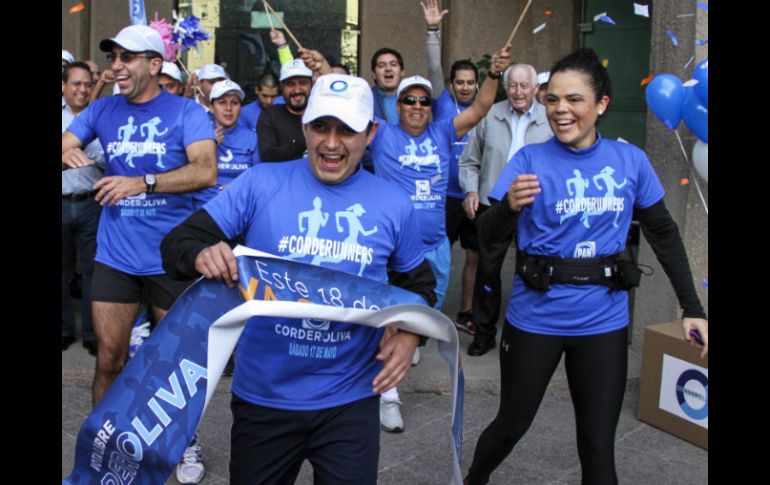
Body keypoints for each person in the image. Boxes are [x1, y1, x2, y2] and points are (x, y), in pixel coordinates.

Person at [161, 72, 436, 485]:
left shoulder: (393, 203)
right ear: (304, 126)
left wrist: (411, 335)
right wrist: (202, 252)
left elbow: (419, 285)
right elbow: (177, 242)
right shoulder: (260, 182)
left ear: (371, 132)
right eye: (321, 126)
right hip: (264, 399)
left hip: (352, 400)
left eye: (347, 130)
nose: (331, 142)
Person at [464, 47, 709, 485]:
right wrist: (506, 211)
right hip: (535, 320)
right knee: (510, 428)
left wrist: (693, 307)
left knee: (598, 446)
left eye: (574, 99)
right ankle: (471, 480)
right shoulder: (529, 161)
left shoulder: (629, 161)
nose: (561, 109)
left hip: (603, 322)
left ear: (601, 105)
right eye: (553, 98)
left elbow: (664, 233)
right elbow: (485, 238)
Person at [61, 24, 217, 484]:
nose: (116, 67)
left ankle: (183, 445)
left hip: (172, 257)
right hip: (116, 256)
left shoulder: (186, 111)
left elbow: (205, 171)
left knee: (171, 367)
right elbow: (66, 142)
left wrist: (142, 182)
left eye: (127, 58)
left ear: (154, 64)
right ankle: (104, 449)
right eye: (113, 58)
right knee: (109, 359)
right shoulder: (103, 109)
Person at [367, 42, 509, 431]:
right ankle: (388, 395)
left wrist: (494, 74)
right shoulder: (380, 136)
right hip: (395, 251)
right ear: (397, 106)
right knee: (391, 320)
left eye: (423, 101)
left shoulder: (443, 131)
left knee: (423, 314)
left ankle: (405, 349)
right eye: (408, 101)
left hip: (434, 246)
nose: (416, 106)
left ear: (431, 107)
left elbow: (480, 108)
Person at [458, 62, 553, 356]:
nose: (518, 91)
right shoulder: (491, 115)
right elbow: (469, 160)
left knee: (533, 270)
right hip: (495, 204)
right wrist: (471, 190)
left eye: (525, 85)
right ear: (505, 87)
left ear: (536, 89)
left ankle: (529, 334)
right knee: (488, 271)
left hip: (534, 207)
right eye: (513, 85)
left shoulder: (550, 120)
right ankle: (484, 333)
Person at [422, 0, 482, 334]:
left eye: (470, 81)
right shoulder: (442, 102)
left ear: (477, 83)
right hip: (442, 194)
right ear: (452, 83)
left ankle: (466, 312)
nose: (464, 86)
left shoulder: (485, 110)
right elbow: (432, 68)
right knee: (435, 256)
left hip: (472, 196)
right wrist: (433, 31)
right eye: (459, 81)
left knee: (473, 257)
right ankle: (430, 311)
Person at [62, 61, 104, 356]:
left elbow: (108, 155)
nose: (82, 89)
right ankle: (64, 330)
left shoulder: (101, 115)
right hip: (62, 201)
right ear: (64, 86)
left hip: (92, 202)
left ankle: (92, 334)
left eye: (87, 84)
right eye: (76, 83)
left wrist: (83, 146)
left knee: (93, 271)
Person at [256, 58, 313, 162]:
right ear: (281, 87)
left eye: (303, 83)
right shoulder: (270, 115)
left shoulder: (320, 114)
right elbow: (267, 155)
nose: (297, 90)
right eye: (290, 84)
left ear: (311, 84)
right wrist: (305, 141)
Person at [369, 47, 405, 125]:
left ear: (402, 72)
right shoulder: (366, 98)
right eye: (381, 66)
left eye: (393, 64)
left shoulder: (413, 98)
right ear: (373, 74)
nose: (388, 68)